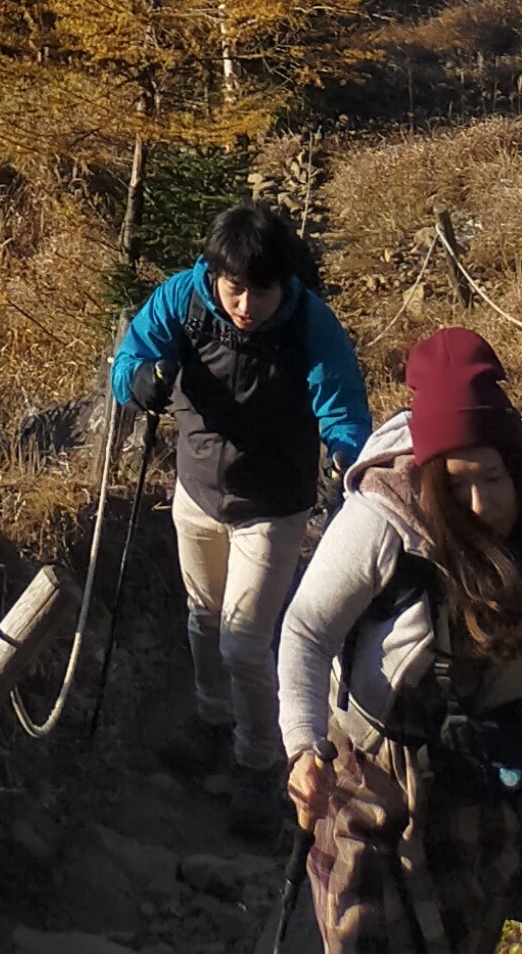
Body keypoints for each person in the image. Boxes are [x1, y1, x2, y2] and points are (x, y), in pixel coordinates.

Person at [111, 196, 372, 839]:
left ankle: (258, 762)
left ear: (283, 283)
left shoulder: (310, 323)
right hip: (197, 494)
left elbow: (341, 407)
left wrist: (349, 463)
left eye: (260, 291)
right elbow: (128, 361)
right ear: (214, 274)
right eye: (235, 289)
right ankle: (210, 718)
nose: (246, 306)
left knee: (245, 644)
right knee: (202, 622)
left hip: (273, 508)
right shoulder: (182, 300)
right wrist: (142, 381)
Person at [279, 326, 522, 954]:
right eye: (457, 481)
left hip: (481, 776)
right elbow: (307, 630)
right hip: (372, 775)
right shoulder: (381, 521)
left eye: (492, 477)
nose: (477, 502)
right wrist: (304, 747)